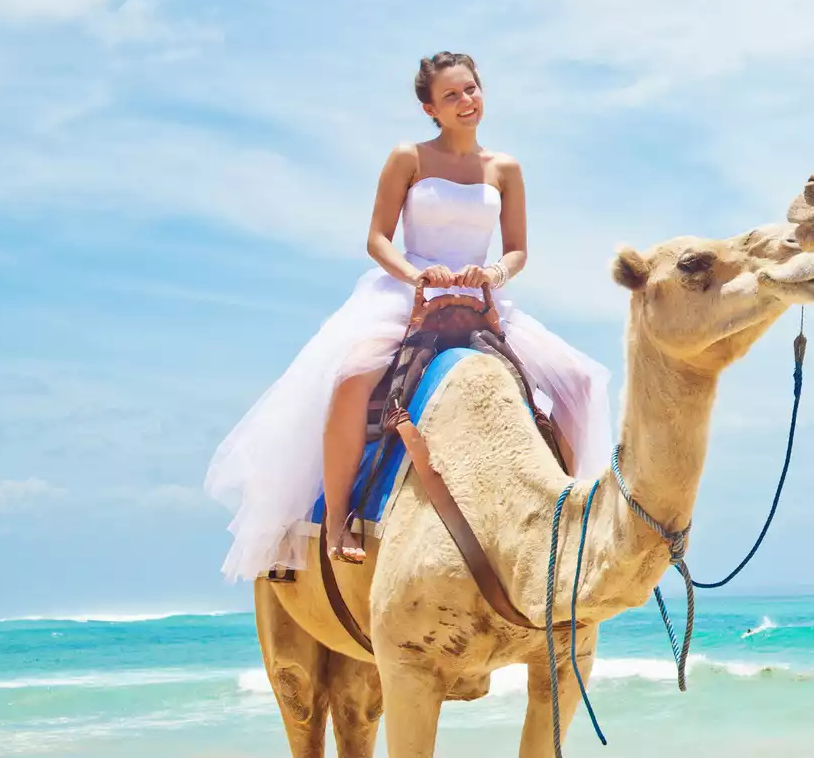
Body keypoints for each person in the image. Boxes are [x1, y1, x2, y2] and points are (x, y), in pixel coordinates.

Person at [205, 52, 613, 578]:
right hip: (409, 290)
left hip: (478, 295)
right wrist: (415, 275)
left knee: (580, 381)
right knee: (352, 377)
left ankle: (570, 527)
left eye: (471, 89)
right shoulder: (409, 157)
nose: (467, 101)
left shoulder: (505, 168)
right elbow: (377, 238)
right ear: (430, 109)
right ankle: (336, 522)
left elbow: (517, 251)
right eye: (452, 96)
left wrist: (494, 274)